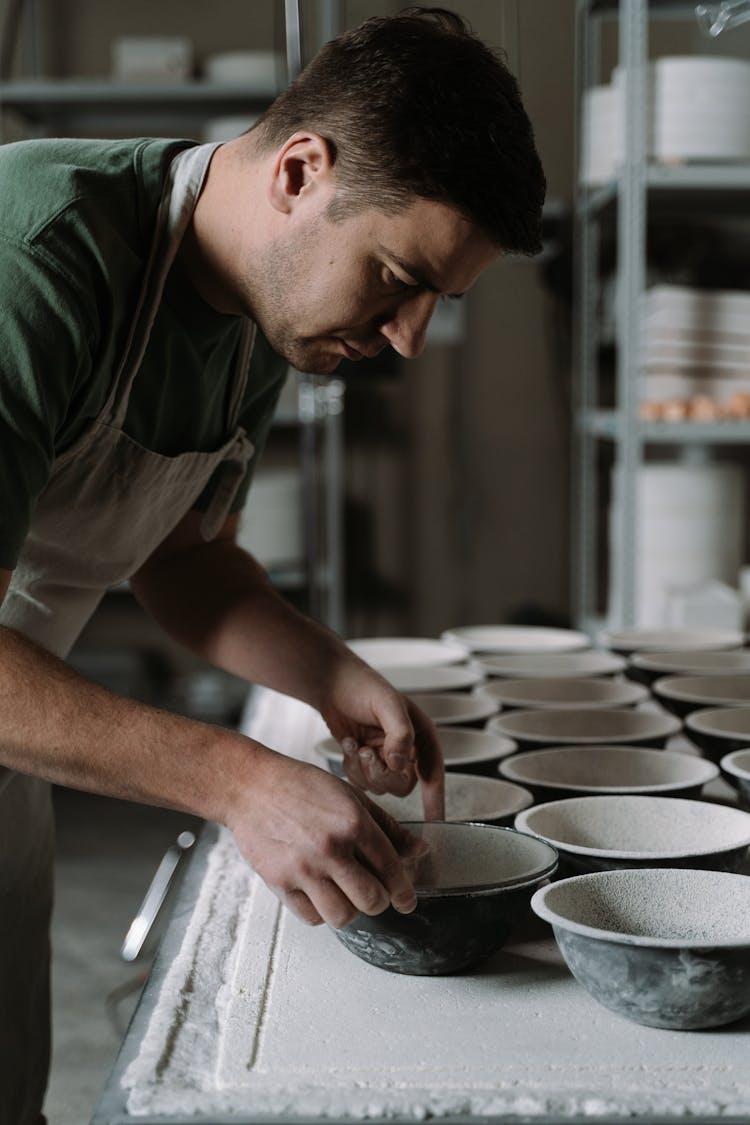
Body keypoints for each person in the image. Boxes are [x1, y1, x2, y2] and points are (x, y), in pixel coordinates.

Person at [0, 6, 545, 1121]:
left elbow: (189, 563)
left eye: (436, 303)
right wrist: (240, 781)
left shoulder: (264, 315)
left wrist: (334, 678)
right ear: (301, 171)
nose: (406, 339)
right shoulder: (37, 255)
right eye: (396, 276)